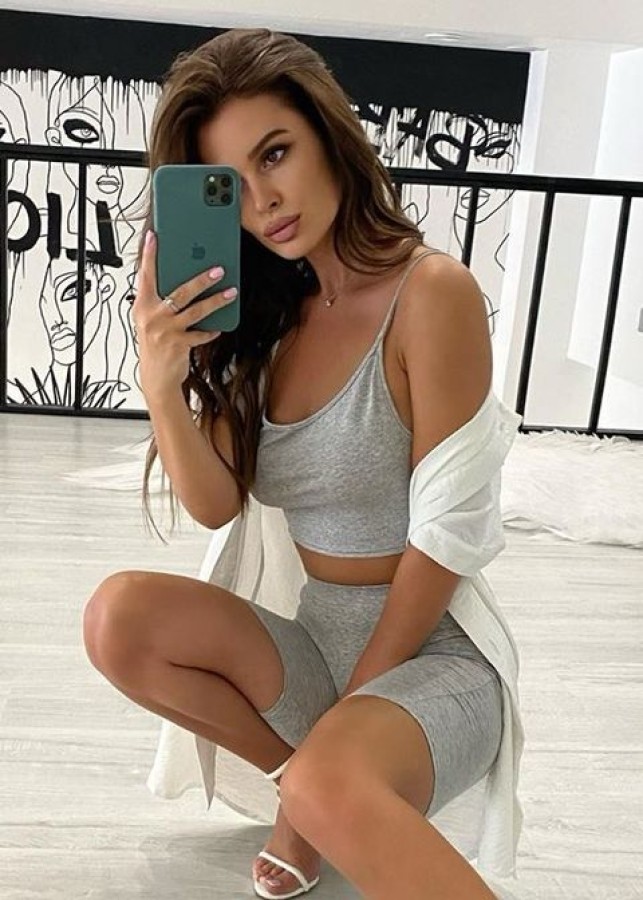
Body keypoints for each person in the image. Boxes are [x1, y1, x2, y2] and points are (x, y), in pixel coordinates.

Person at [82, 28, 525, 900]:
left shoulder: (430, 293)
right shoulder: (270, 319)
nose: (264, 202)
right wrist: (161, 379)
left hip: (432, 654)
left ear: (328, 134)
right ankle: (313, 789)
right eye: (231, 185)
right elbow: (214, 505)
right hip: (313, 643)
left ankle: (318, 794)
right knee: (117, 618)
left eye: (275, 153)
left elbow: (444, 539)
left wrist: (342, 729)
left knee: (327, 782)